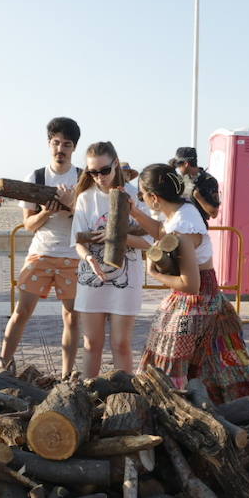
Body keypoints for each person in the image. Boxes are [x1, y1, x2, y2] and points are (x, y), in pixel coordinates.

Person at [134, 163, 249, 402]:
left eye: (142, 195)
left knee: (172, 347)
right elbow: (162, 231)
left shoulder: (181, 231)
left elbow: (190, 284)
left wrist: (154, 274)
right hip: (204, 297)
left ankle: (171, 405)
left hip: (197, 301)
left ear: (153, 197)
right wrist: (135, 213)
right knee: (200, 353)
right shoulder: (185, 209)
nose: (142, 200)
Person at [0, 117, 82, 374]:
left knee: (71, 317)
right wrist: (46, 212)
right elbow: (28, 225)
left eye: (66, 144)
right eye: (56, 143)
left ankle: (67, 374)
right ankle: (4, 365)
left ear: (74, 148)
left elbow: (91, 221)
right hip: (40, 253)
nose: (61, 149)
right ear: (49, 144)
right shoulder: (35, 177)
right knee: (22, 311)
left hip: (73, 256)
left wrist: (70, 205)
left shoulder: (83, 178)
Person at [70, 141, 150, 378]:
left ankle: (125, 397)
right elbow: (78, 241)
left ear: (116, 164)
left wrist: (118, 236)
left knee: (121, 343)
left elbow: (150, 242)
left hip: (126, 278)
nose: (99, 177)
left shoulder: (135, 197)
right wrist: (89, 259)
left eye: (104, 170)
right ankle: (88, 396)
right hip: (92, 275)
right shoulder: (85, 197)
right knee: (91, 344)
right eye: (92, 172)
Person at [172, 147, 220, 223]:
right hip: (181, 225)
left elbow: (214, 213)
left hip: (198, 228)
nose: (178, 168)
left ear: (186, 164)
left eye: (178, 164)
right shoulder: (182, 179)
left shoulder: (208, 181)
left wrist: (198, 197)